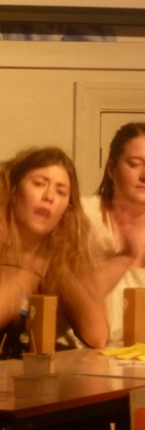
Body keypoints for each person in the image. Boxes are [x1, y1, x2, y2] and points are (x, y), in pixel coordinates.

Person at [0, 147, 107, 360]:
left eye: (61, 192)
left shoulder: (56, 248)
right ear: (12, 190)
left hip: (22, 374)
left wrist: (60, 263)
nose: (49, 197)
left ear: (67, 209)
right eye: (39, 184)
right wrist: (33, 267)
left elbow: (97, 336)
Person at [77, 122, 145, 348]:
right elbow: (75, 297)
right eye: (134, 164)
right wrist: (124, 256)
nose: (144, 175)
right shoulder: (84, 216)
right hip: (80, 355)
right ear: (111, 169)